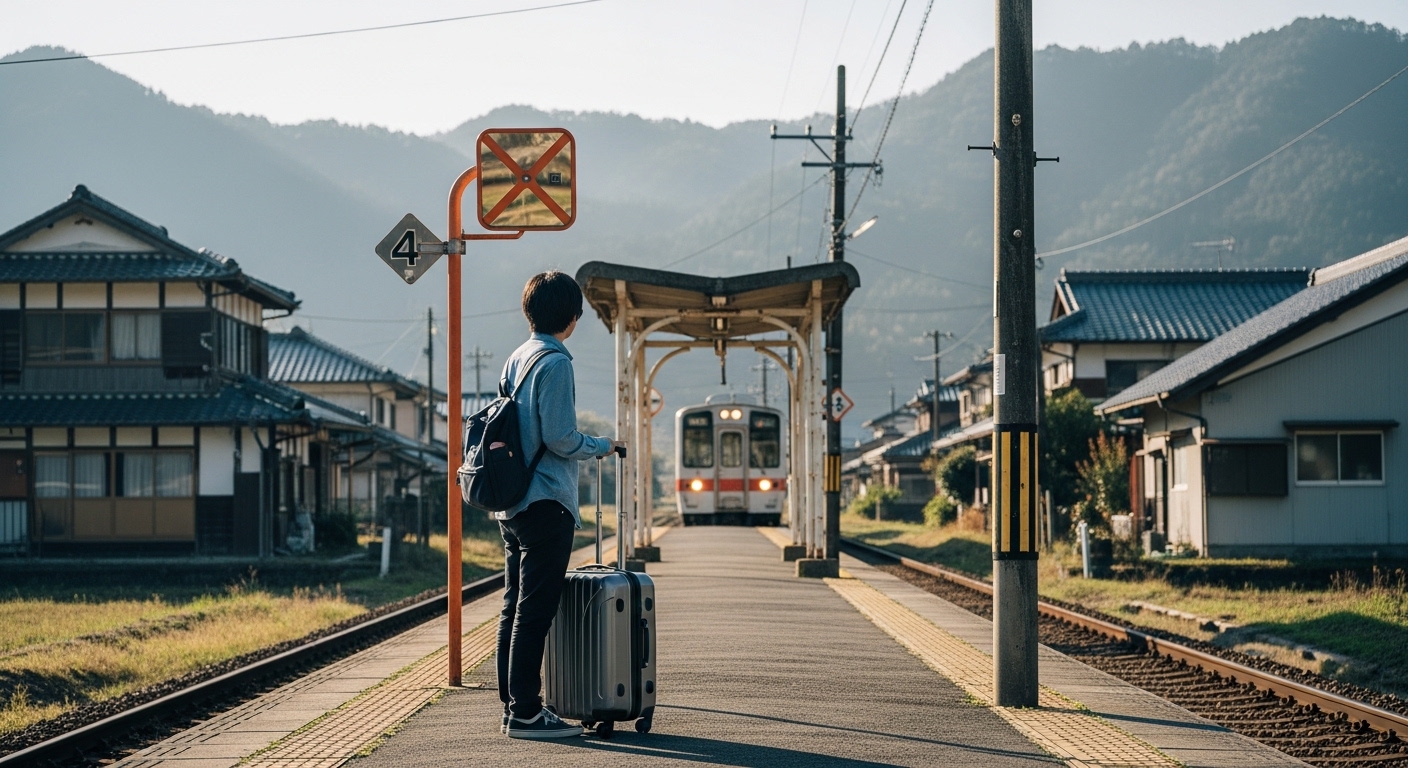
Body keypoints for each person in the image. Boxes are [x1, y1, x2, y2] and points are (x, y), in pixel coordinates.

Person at [495, 270, 622, 740]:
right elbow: (561, 438)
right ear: (572, 318)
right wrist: (603, 444)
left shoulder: (517, 357)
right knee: (535, 610)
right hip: (547, 499)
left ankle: (513, 706)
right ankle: (528, 713)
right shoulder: (555, 363)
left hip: (513, 504)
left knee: (513, 607)